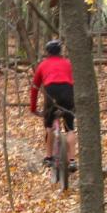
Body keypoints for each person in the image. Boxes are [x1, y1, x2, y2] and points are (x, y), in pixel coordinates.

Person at [30, 39, 78, 171]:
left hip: (51, 92)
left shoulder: (43, 65)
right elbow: (76, 82)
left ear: (47, 52)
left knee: (49, 126)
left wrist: (33, 108)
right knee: (70, 127)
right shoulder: (68, 64)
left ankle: (49, 157)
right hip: (68, 91)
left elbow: (34, 88)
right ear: (60, 51)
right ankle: (72, 160)